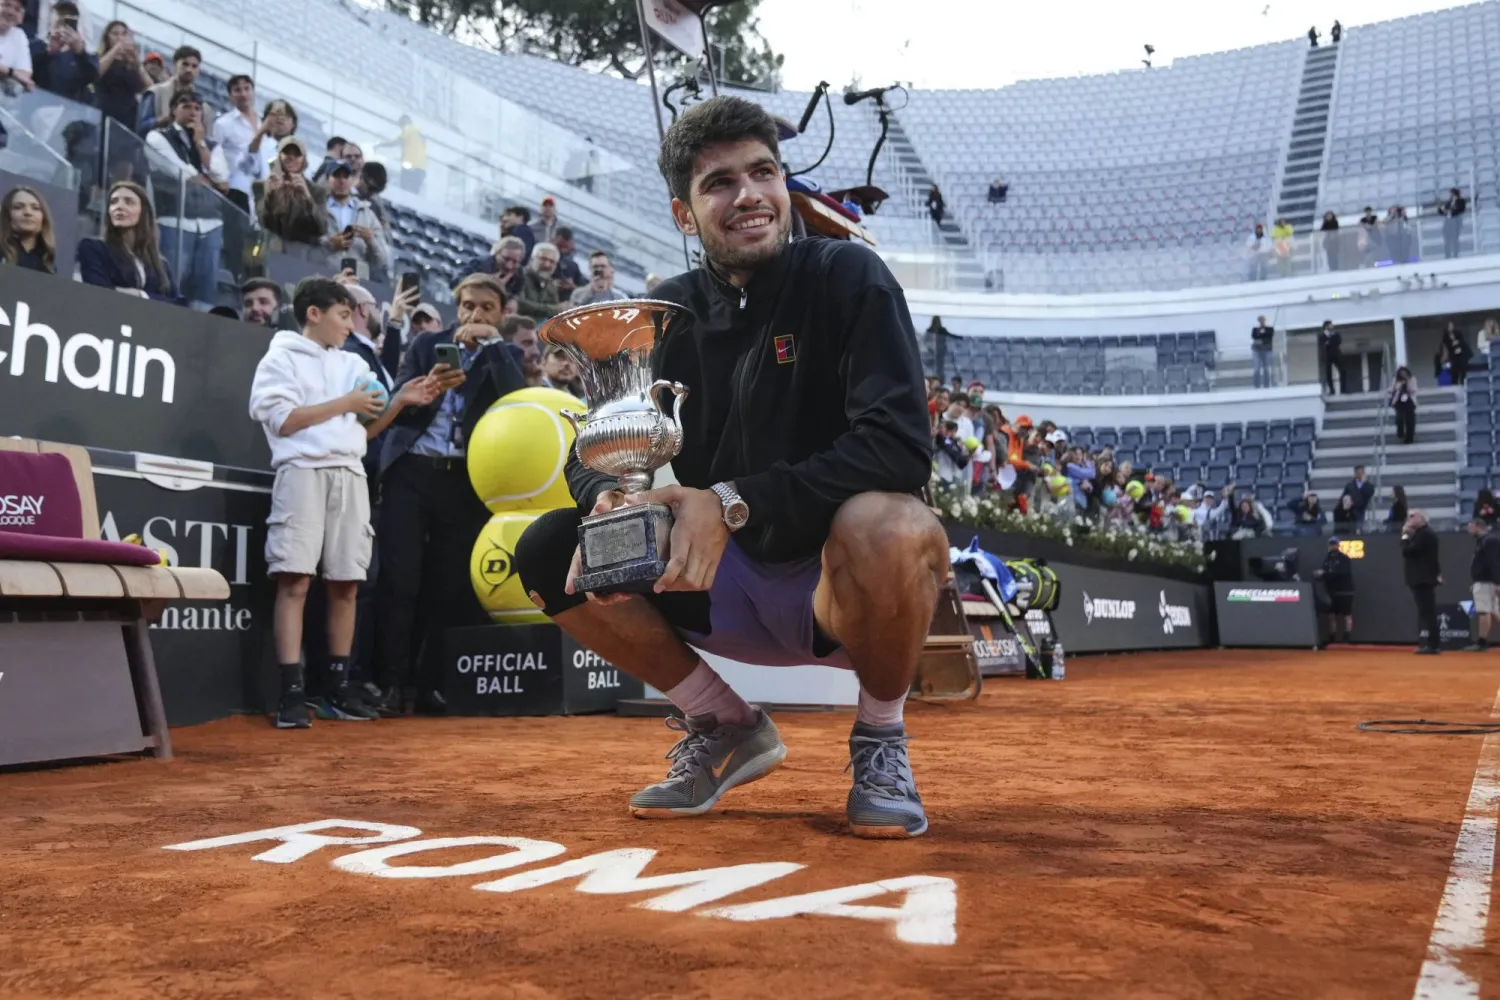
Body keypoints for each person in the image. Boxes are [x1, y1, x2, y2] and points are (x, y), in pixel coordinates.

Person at [513, 95, 944, 839]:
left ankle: (880, 736)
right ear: (686, 216)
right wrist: (609, 500)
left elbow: (901, 445)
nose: (749, 195)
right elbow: (599, 442)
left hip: (834, 589)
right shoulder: (663, 314)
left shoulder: (851, 277)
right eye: (719, 183)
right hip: (712, 583)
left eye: (763, 173)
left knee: (890, 523)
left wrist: (733, 500)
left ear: (784, 185)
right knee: (551, 547)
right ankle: (723, 724)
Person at [248, 277, 440, 728]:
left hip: (350, 473)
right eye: (342, 314)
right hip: (301, 472)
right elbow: (285, 422)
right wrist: (347, 402)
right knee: (294, 580)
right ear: (313, 313)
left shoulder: (353, 363)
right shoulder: (280, 357)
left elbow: (364, 432)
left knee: (347, 583)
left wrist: (400, 402)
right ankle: (291, 691)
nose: (349, 324)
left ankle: (336, 687)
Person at [374, 273, 527, 714]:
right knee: (400, 582)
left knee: (448, 586)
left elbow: (518, 402)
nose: (473, 315)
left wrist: (495, 345)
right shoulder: (427, 345)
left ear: (501, 314)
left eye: (485, 308)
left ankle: (430, 685)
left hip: (465, 479)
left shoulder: (506, 353)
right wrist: (426, 390)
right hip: (412, 472)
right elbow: (398, 397)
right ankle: (389, 685)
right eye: (467, 306)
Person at [145, 89, 228, 309]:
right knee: (169, 284)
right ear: (174, 110)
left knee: (205, 293)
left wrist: (200, 142)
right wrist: (207, 177)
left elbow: (221, 178)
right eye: (186, 106)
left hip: (211, 224)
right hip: (174, 220)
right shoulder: (158, 136)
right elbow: (180, 172)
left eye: (197, 108)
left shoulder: (211, 145)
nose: (192, 112)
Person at [76, 180, 179, 303]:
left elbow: (179, 303)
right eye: (113, 202)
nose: (119, 206)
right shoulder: (93, 248)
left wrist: (141, 295)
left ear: (143, 212)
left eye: (129, 202)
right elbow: (101, 293)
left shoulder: (161, 264)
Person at [319, 159, 387, 280]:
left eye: (346, 176)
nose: (341, 181)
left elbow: (380, 260)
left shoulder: (367, 214)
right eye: (336, 176)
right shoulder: (317, 208)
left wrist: (370, 240)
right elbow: (306, 246)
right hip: (323, 274)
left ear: (352, 180)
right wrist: (330, 244)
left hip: (357, 280)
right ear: (328, 179)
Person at [255, 136, 326, 250]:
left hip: (304, 256)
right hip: (272, 251)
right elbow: (263, 221)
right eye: (286, 153)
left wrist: (307, 197)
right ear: (279, 157)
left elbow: (321, 228)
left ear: (304, 160)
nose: (291, 157)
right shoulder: (261, 186)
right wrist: (270, 196)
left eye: (297, 154)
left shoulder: (317, 191)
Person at [210, 74, 264, 215]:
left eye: (247, 89)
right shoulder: (223, 124)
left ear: (253, 91)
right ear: (230, 95)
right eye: (237, 90)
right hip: (236, 189)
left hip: (262, 189)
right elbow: (214, 155)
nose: (243, 94)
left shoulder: (263, 122)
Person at [94, 21, 152, 136]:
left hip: (127, 116)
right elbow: (95, 72)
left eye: (124, 34)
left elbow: (151, 87)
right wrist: (116, 49)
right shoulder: (101, 57)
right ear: (107, 37)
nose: (120, 37)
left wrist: (136, 60)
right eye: (115, 34)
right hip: (104, 110)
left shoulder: (131, 64)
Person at [29, 1, 94, 103]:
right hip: (33, 105)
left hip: (66, 112)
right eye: (60, 15)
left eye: (70, 20)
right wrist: (49, 53)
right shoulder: (36, 45)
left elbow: (90, 79)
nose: (63, 25)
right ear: (52, 19)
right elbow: (29, 72)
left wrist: (80, 53)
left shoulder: (79, 55)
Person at [1401, 510, 1443, 654]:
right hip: (1422, 578)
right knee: (1426, 612)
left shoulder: (1424, 534)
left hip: (1422, 579)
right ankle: (1432, 644)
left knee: (1427, 612)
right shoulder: (1423, 534)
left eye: (1413, 516)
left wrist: (1405, 535)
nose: (1409, 519)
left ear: (1422, 518)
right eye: (1408, 516)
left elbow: (1407, 551)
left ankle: (1432, 645)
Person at [140, 44, 200, 133]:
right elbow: (141, 127)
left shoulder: (199, 104)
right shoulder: (156, 92)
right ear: (175, 64)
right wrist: (161, 121)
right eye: (185, 64)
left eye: (194, 66)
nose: (189, 70)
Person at [0, 185, 55, 273]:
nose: (28, 212)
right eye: (18, 207)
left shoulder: (47, 261)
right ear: (7, 215)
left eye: (35, 208)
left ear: (43, 218)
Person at [1465, 518, 1500, 652]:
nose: (1469, 530)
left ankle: (1481, 642)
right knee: (1493, 611)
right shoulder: (1485, 541)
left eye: (1470, 527)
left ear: (1477, 526)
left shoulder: (1488, 541)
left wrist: (1498, 583)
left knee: (1484, 611)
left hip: (1486, 582)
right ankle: (1482, 641)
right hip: (1486, 581)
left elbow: (1494, 563)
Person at [1316, 536, 1355, 644]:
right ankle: (1332, 637)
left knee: (1347, 615)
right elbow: (1325, 572)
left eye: (1334, 544)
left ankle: (1347, 638)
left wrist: (1325, 573)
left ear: (1338, 545)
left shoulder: (1344, 558)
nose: (1333, 546)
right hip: (1332, 591)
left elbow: (1342, 573)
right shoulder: (1327, 559)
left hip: (1345, 591)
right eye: (1331, 544)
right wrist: (1320, 574)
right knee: (1331, 615)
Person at [375, 115, 426, 194]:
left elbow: (396, 142)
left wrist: (380, 145)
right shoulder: (420, 133)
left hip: (410, 165)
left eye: (401, 126)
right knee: (414, 192)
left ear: (404, 123)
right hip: (421, 169)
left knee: (404, 188)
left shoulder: (408, 128)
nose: (401, 129)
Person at [248, 98, 297, 180]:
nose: (280, 118)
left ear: (293, 124)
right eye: (275, 114)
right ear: (266, 119)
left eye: (286, 115)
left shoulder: (298, 154)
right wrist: (261, 132)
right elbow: (249, 166)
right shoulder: (259, 144)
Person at [516, 240, 562, 319]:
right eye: (543, 259)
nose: (547, 265)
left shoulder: (551, 285)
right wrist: (554, 309)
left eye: (552, 262)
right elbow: (520, 304)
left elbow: (556, 312)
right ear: (532, 259)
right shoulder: (519, 276)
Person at [0, 0, 34, 94]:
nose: (11, 12)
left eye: (17, 9)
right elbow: (18, 75)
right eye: (6, 5)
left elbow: (25, 76)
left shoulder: (19, 36)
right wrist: (11, 73)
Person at [551, 226, 585, 300]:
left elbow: (585, 290)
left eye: (566, 248)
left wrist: (573, 287)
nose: (562, 251)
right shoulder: (541, 257)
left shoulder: (573, 267)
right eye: (560, 246)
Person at [1388, 366, 1417, 444]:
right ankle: (1400, 433)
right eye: (1401, 373)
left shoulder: (1412, 379)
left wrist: (1407, 382)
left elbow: (1413, 390)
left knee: (1410, 420)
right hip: (1399, 401)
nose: (1403, 375)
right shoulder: (1396, 380)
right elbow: (1391, 389)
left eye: (1404, 373)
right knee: (1399, 418)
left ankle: (1409, 438)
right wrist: (1399, 386)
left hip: (1409, 401)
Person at [1441, 321, 1473, 386]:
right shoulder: (1445, 337)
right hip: (1453, 357)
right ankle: (1454, 385)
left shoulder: (1458, 333)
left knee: (1463, 371)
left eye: (1452, 326)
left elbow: (1463, 344)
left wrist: (1457, 342)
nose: (1451, 327)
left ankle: (1463, 384)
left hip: (1462, 356)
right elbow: (1446, 348)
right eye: (1449, 326)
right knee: (1454, 373)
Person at [1439, 187, 1467, 259]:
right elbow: (1442, 211)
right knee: (1447, 241)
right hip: (1448, 224)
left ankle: (1455, 255)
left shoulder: (1461, 201)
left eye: (1453, 193)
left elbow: (1461, 210)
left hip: (1455, 223)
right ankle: (1447, 255)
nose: (1451, 195)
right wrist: (1442, 210)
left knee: (1455, 240)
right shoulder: (1448, 202)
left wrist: (1450, 212)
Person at [1319, 319, 1344, 395]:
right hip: (1327, 356)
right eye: (1330, 325)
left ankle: (1344, 389)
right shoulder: (1322, 336)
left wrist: (1329, 343)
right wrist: (1330, 343)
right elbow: (1322, 345)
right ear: (1326, 326)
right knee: (1328, 374)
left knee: (1343, 371)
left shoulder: (1336, 334)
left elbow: (1338, 342)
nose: (1332, 326)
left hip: (1336, 354)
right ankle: (1331, 390)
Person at [1250, 314, 1275, 388]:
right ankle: (1256, 385)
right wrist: (1262, 337)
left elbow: (1269, 336)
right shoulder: (1255, 329)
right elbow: (1254, 337)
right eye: (1260, 320)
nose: (1262, 322)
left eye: (1263, 320)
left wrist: (1261, 338)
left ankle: (1266, 384)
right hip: (1257, 350)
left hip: (1266, 350)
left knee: (1266, 368)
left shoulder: (1270, 329)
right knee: (1257, 368)